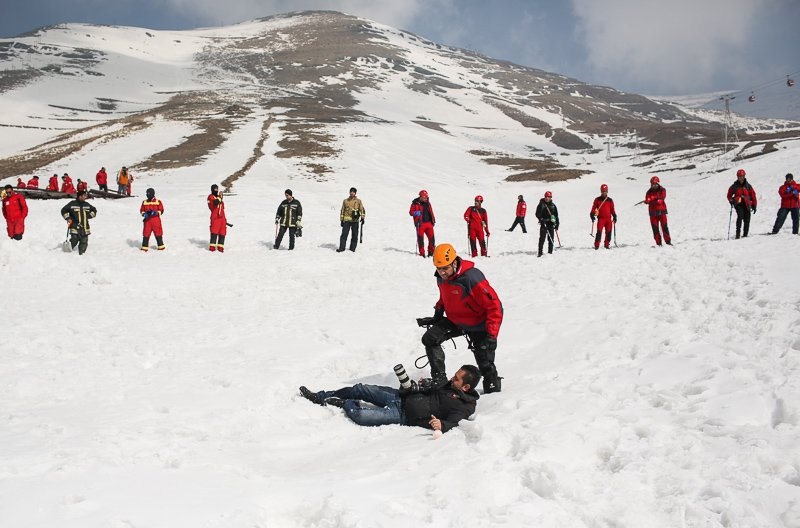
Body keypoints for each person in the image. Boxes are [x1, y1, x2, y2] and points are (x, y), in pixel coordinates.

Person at [416, 243, 503, 393]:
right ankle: (440, 380)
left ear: (455, 262)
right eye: (439, 268)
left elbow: (494, 306)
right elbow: (445, 296)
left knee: (485, 364)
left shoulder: (472, 277)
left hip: (478, 324)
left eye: (445, 268)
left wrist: (491, 335)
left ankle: (492, 391)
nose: (442, 272)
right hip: (456, 321)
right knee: (430, 339)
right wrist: (437, 314)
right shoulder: (442, 277)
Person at [298, 365, 480, 433]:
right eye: (454, 375)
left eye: (456, 379)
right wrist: (418, 385)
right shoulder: (446, 384)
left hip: (404, 415)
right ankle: (320, 396)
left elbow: (454, 422)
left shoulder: (465, 405)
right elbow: (427, 387)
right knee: (361, 388)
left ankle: (342, 403)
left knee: (361, 416)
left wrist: (443, 425)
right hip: (400, 396)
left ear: (466, 387)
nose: (451, 379)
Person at [61, 189, 97, 255]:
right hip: (74, 225)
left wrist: (90, 216)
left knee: (84, 241)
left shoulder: (87, 204)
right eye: (84, 195)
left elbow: (94, 210)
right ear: (80, 196)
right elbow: (63, 210)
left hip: (85, 227)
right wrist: (67, 218)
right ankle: (66, 253)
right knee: (74, 239)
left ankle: (82, 255)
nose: (85, 197)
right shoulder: (72, 203)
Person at [727, 168, 757, 239]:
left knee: (747, 219)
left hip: (747, 204)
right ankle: (738, 234)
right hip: (738, 204)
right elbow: (729, 195)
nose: (741, 178)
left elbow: (753, 195)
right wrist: (731, 200)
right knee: (740, 217)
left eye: (742, 176)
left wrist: (754, 205)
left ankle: (745, 234)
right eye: (740, 176)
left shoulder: (748, 186)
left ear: (744, 176)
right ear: (737, 177)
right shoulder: (734, 186)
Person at [644, 175, 671, 246]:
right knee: (655, 229)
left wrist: (652, 199)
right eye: (652, 184)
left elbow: (661, 200)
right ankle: (658, 244)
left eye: (654, 184)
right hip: (653, 214)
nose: (653, 185)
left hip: (662, 213)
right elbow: (648, 199)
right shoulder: (648, 192)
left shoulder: (662, 190)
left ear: (657, 183)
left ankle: (668, 242)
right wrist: (648, 201)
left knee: (664, 227)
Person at [337, 187, 365, 252]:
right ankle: (341, 248)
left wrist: (363, 218)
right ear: (349, 192)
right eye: (351, 191)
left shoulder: (358, 201)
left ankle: (352, 249)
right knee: (344, 235)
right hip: (346, 221)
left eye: (353, 192)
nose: (352, 193)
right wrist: (341, 220)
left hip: (355, 221)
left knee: (355, 235)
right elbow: (342, 210)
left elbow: (362, 209)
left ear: (355, 193)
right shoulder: (345, 201)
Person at [409, 189, 436, 257]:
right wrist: (416, 213)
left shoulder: (428, 203)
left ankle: (431, 252)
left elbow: (431, 212)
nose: (425, 199)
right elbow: (411, 212)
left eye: (426, 197)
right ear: (420, 196)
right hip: (420, 224)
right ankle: (422, 254)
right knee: (421, 240)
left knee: (432, 239)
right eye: (424, 197)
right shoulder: (415, 203)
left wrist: (433, 220)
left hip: (429, 224)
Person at [590, 183, 617, 250]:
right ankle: (596, 246)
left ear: (607, 191)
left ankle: (607, 245)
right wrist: (592, 214)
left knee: (608, 233)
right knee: (599, 232)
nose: (604, 193)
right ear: (601, 191)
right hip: (601, 219)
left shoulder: (610, 200)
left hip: (608, 219)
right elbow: (593, 208)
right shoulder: (597, 199)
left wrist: (614, 216)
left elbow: (612, 209)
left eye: (605, 191)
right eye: (603, 191)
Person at [535, 191, 559, 257]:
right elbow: (537, 213)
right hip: (544, 223)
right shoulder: (541, 204)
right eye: (546, 197)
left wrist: (557, 224)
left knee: (551, 238)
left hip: (551, 224)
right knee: (542, 238)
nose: (547, 198)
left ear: (551, 197)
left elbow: (556, 216)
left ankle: (550, 252)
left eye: (548, 197)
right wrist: (541, 219)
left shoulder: (553, 205)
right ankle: (540, 252)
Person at [207, 184, 227, 252]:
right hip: (215, 218)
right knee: (214, 231)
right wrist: (220, 196)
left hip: (222, 218)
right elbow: (215, 203)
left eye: (217, 189)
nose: (216, 190)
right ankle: (212, 248)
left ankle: (220, 247)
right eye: (215, 189)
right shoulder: (210, 197)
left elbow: (222, 207)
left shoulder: (220, 199)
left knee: (222, 232)